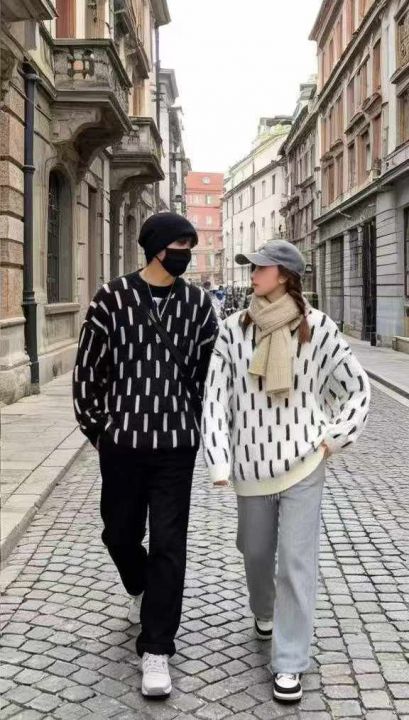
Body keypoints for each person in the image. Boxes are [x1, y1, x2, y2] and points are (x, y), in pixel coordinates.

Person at [201, 239, 370, 704]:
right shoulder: (233, 330)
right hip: (251, 464)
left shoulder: (319, 329)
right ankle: (263, 609)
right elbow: (215, 397)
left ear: (284, 276)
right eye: (253, 267)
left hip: (303, 463)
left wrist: (333, 437)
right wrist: (219, 458)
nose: (253, 274)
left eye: (261, 268)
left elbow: (357, 388)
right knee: (255, 551)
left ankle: (290, 661)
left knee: (296, 562)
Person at [73, 212, 218, 699]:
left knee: (169, 545)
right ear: (156, 247)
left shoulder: (198, 305)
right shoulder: (111, 299)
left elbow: (212, 373)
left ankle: (156, 648)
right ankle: (139, 585)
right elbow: (87, 371)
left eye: (190, 246)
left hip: (176, 446)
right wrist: (98, 431)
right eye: (180, 245)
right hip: (122, 444)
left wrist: (205, 427)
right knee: (119, 533)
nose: (186, 253)